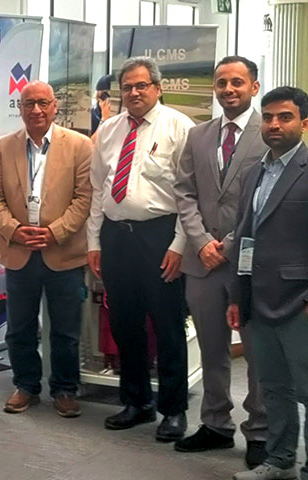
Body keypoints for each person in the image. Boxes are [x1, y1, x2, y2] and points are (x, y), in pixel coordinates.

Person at [87, 56, 195, 441]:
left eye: (141, 86)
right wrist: (94, 241)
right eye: (127, 87)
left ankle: (173, 409)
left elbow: (189, 195)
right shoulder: (110, 130)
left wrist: (180, 244)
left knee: (167, 326)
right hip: (117, 237)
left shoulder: (180, 127)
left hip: (160, 237)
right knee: (125, 324)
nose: (133, 93)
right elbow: (98, 190)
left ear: (157, 87)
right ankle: (136, 402)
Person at [172, 55, 268, 467]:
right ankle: (215, 424)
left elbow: (266, 200)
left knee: (257, 352)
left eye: (237, 82)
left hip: (249, 260)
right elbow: (183, 191)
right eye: (222, 83)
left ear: (254, 86)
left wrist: (225, 244)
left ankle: (260, 432)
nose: (229, 89)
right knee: (212, 348)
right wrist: (200, 241)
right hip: (202, 261)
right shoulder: (198, 135)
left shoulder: (270, 134)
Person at [0, 80, 93, 418]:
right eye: (29, 104)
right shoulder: (3, 147)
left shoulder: (79, 145)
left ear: (54, 106)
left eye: (43, 103)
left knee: (64, 329)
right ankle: (26, 386)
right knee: (20, 327)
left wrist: (54, 232)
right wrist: (15, 231)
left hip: (63, 252)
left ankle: (64, 389)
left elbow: (85, 196)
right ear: (20, 108)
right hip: (19, 252)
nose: (36, 110)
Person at [228, 86, 308, 480]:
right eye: (269, 117)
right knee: (274, 387)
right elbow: (245, 235)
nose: (274, 124)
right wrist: (236, 295)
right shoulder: (254, 172)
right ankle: (279, 459)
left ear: (304, 123)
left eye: (285, 117)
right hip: (258, 300)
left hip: (301, 302)